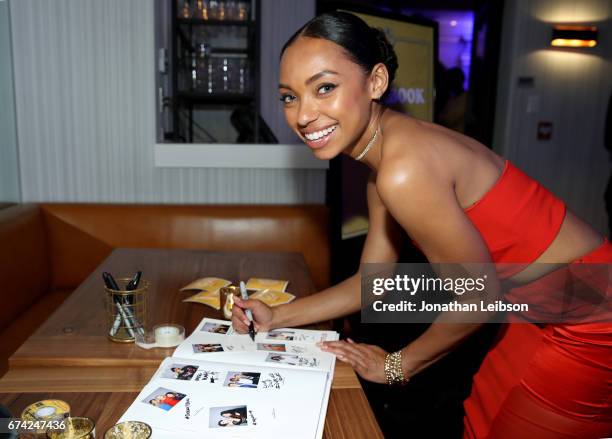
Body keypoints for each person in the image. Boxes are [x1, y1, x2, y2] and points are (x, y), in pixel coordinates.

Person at [232, 11, 612, 439]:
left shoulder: (402, 169)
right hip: (531, 308)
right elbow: (372, 284)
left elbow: (478, 297)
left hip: (592, 319)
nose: (303, 115)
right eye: (289, 97)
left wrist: (397, 365)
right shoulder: (385, 162)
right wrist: (276, 316)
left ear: (375, 82)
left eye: (325, 88)